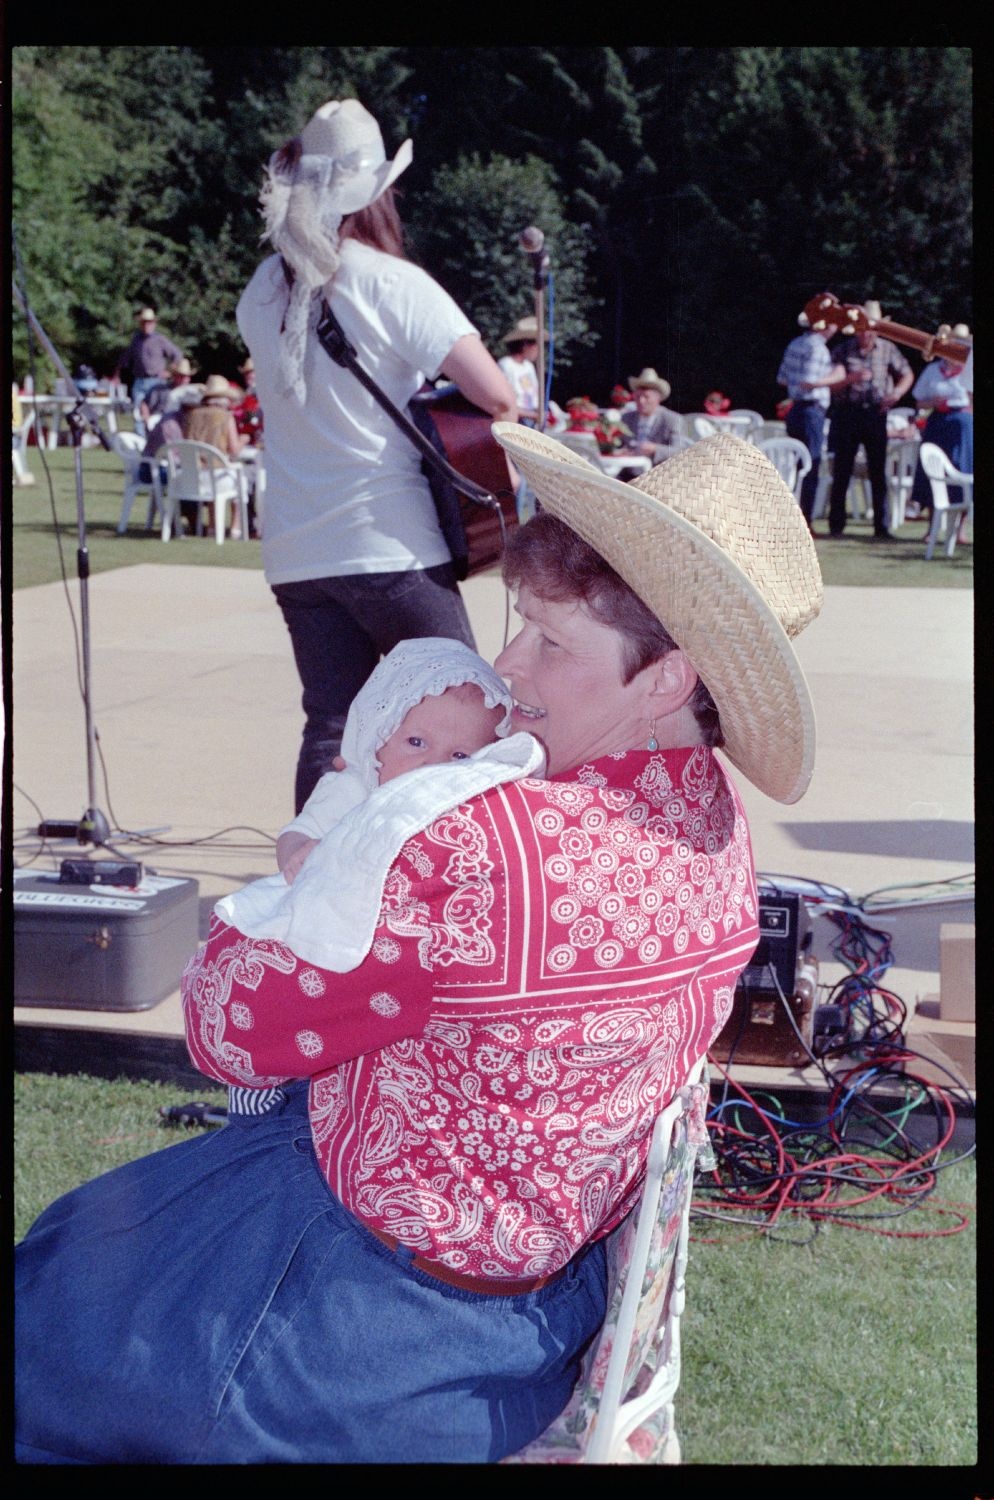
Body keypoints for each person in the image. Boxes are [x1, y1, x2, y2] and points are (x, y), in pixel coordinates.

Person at [15, 428, 824, 1464]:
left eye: (553, 644)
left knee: (47, 1310)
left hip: (363, 1335)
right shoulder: (714, 825)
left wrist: (327, 856)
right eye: (518, 624)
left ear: (665, 680)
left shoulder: (468, 839)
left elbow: (229, 1031)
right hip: (551, 1303)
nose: (506, 666)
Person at [235, 98, 517, 817]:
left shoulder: (264, 287)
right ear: (378, 192)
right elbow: (495, 395)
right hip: (387, 540)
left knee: (332, 723)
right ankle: (458, 872)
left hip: (298, 547)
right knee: (469, 709)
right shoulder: (393, 282)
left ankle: (311, 875)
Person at [217, 637, 544, 974]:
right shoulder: (356, 789)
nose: (433, 764)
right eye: (416, 743)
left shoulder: (463, 804)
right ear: (378, 737)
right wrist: (299, 854)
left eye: (459, 756)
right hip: (330, 929)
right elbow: (298, 833)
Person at [825, 300, 914, 540]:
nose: (865, 334)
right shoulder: (843, 350)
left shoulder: (887, 349)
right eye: (861, 329)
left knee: (878, 471)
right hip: (848, 412)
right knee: (842, 469)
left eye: (870, 329)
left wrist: (896, 394)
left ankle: (881, 526)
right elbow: (828, 384)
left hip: (875, 414)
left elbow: (907, 373)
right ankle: (836, 525)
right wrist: (849, 379)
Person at [776, 314, 848, 527]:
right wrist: (836, 376)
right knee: (811, 465)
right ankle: (804, 521)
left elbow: (782, 378)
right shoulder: (818, 349)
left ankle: (794, 518)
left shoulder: (796, 342)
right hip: (811, 410)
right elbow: (808, 382)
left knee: (799, 466)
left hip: (796, 409)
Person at [909, 328, 973, 513]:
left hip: (961, 423)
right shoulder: (933, 369)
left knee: (961, 468)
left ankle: (960, 526)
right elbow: (919, 400)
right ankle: (931, 523)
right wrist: (932, 402)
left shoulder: (968, 370)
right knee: (932, 471)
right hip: (937, 421)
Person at [114, 306, 184, 437]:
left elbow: (177, 355)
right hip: (139, 381)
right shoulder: (136, 340)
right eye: (144, 322)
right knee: (138, 413)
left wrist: (170, 372)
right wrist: (116, 375)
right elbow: (125, 359)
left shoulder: (160, 340)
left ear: (154, 324)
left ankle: (158, 438)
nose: (147, 325)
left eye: (149, 322)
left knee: (157, 412)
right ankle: (141, 440)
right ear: (141, 324)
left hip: (156, 381)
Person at [625, 367, 683, 462]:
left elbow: (679, 450)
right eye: (638, 396)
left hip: (659, 471)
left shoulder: (672, 419)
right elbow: (617, 445)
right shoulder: (627, 418)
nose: (641, 401)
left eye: (646, 397)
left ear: (658, 398)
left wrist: (655, 449)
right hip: (627, 471)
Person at [497, 315, 544, 425]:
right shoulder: (506, 365)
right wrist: (532, 415)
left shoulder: (528, 366)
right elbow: (503, 400)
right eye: (537, 345)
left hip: (531, 417)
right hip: (517, 419)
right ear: (525, 345)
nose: (539, 350)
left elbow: (534, 393)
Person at [139, 356, 196, 428]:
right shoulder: (160, 390)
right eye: (181, 376)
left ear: (189, 378)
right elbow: (144, 404)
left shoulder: (193, 394)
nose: (184, 379)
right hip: (159, 424)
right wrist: (147, 420)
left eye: (186, 376)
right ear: (174, 376)